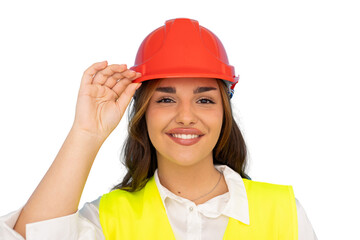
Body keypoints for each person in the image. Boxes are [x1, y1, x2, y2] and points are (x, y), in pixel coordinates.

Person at [0, 18, 317, 239]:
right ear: (143, 110)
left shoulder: (284, 211)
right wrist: (86, 133)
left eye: (204, 100)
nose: (186, 116)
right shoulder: (109, 219)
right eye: (166, 99)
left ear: (225, 112)